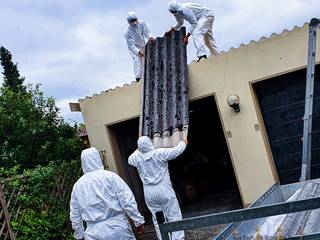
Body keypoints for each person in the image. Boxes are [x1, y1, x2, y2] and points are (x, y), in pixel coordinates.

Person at [70, 147, 145, 240]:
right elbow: (126, 199)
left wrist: (79, 235)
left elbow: (75, 214)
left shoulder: (78, 186)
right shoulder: (110, 176)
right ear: (98, 158)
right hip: (117, 227)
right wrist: (137, 220)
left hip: (93, 233)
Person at [128, 136, 188, 240]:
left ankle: (163, 238)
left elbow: (129, 159)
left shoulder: (136, 157)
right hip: (164, 189)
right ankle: (178, 238)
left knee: (157, 219)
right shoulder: (159, 153)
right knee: (173, 215)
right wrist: (183, 143)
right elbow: (176, 151)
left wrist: (138, 149)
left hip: (149, 192)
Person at [124, 11, 154, 82]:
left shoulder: (141, 23)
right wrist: (138, 52)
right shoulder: (127, 32)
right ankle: (138, 78)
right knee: (138, 60)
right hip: (135, 48)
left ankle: (146, 76)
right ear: (128, 21)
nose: (134, 22)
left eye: (135, 20)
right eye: (132, 21)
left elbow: (146, 31)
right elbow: (131, 45)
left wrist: (150, 37)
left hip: (143, 45)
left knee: (145, 60)